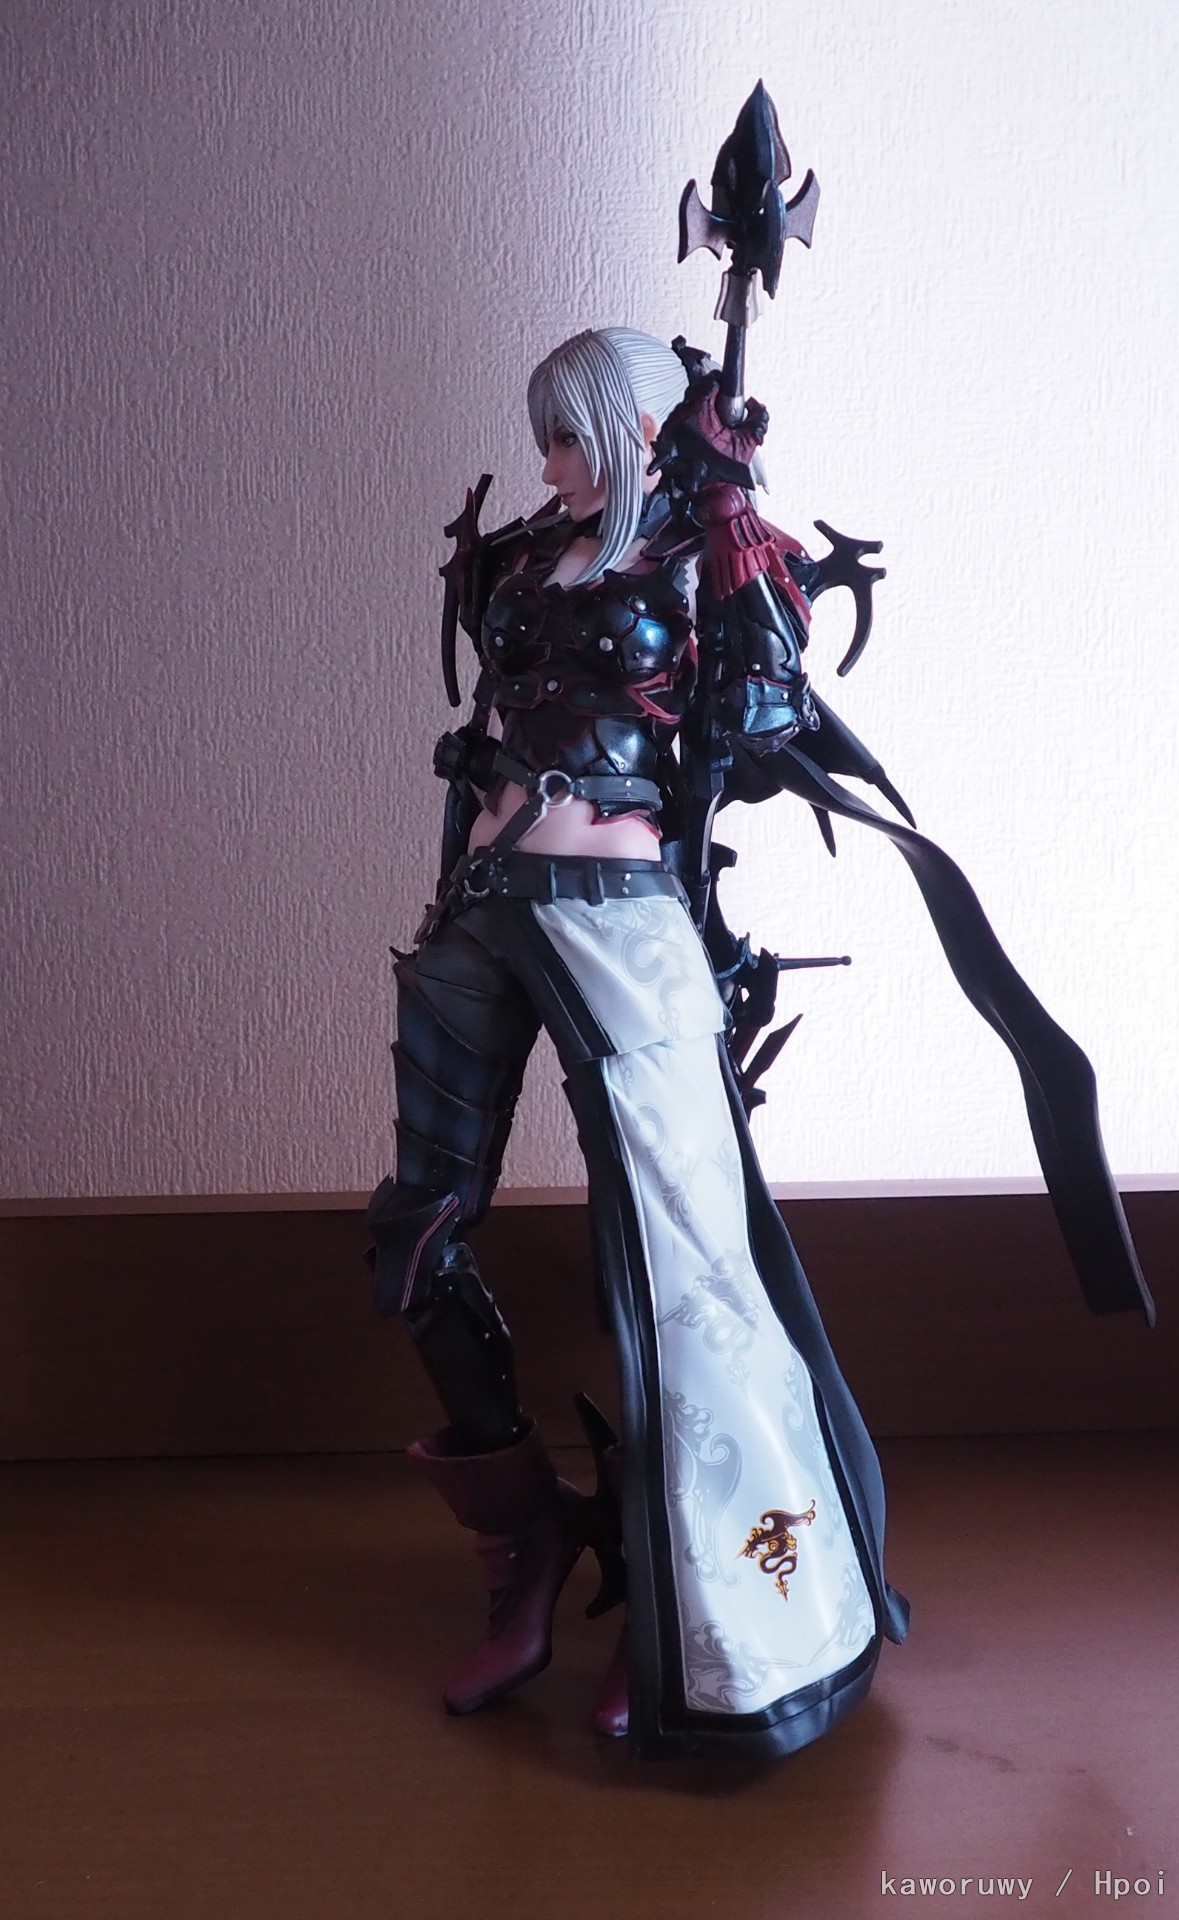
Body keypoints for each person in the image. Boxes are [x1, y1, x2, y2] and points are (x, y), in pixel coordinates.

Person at [367, 325, 912, 1763]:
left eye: (572, 433)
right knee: (415, 1238)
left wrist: (731, 522)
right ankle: (526, 1551)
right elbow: (487, 727)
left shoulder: (698, 556)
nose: (550, 459)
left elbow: (764, 721)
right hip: (484, 909)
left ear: (630, 430)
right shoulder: (519, 562)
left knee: (681, 1263)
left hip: (622, 919)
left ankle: (695, 1605)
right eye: (543, 433)